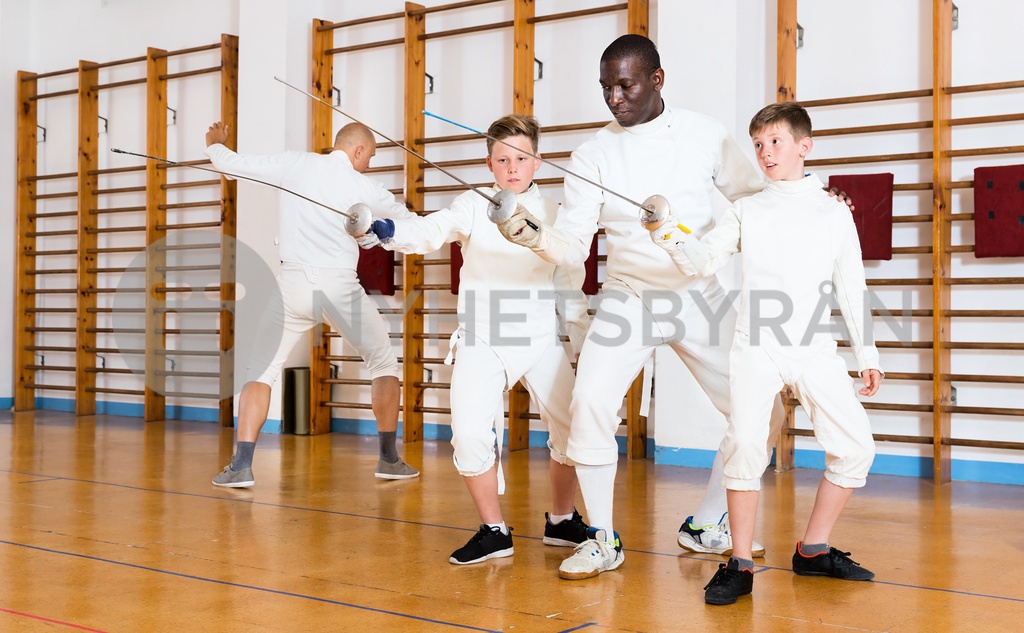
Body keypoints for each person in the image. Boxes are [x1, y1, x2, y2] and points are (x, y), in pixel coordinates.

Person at [494, 34, 789, 580]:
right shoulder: (592, 155)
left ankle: (707, 523)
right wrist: (528, 232)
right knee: (588, 405)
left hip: (701, 292)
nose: (614, 98)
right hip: (630, 297)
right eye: (606, 87)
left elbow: (758, 200)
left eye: (625, 85)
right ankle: (603, 538)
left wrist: (814, 201)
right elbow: (570, 245)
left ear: (656, 79)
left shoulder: (704, 134)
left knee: (764, 410)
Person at [653, 101, 881, 605]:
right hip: (756, 344)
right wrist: (667, 232)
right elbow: (703, 259)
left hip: (814, 346)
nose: (765, 152)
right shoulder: (747, 209)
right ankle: (738, 563)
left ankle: (813, 549)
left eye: (775, 142)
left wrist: (867, 352)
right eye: (757, 144)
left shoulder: (833, 212)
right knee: (746, 447)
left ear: (805, 147)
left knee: (856, 447)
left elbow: (853, 288)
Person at [368, 114, 591, 564]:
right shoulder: (472, 204)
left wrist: (583, 342)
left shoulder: (555, 214)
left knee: (574, 430)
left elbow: (571, 279)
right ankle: (494, 531)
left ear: (537, 161)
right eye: (503, 159)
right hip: (482, 336)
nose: (512, 167)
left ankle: (562, 521)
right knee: (469, 436)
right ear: (490, 163)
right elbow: (429, 231)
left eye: (521, 158)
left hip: (539, 337)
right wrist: (390, 233)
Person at [205, 120, 420, 487]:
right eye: (370, 156)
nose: (369, 163)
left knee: (261, 371)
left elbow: (232, 165)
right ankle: (388, 459)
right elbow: (411, 226)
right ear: (358, 151)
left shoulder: (294, 163)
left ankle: (241, 466)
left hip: (292, 284)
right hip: (340, 286)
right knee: (383, 363)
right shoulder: (366, 186)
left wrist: (214, 145)